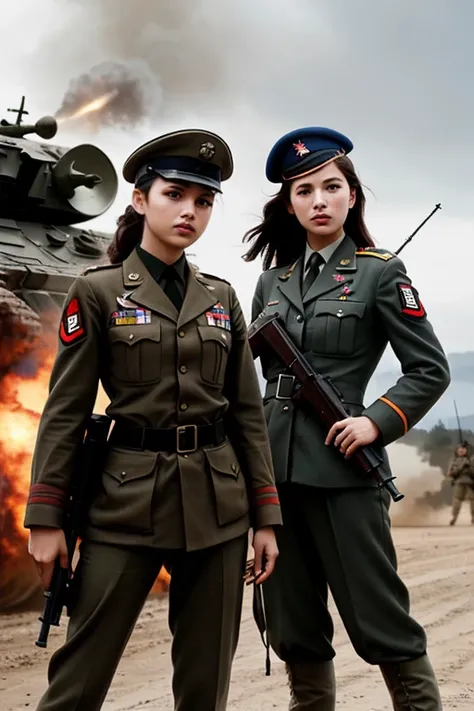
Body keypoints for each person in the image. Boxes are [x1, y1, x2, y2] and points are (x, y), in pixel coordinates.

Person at [24, 128, 281, 711]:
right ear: (140, 200)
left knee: (204, 689)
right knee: (77, 683)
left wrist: (265, 516)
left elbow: (246, 412)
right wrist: (45, 517)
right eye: (175, 194)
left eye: (204, 201)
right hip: (123, 506)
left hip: (218, 510)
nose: (190, 211)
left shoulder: (222, 298)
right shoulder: (97, 291)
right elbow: (65, 411)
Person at [243, 126, 450, 711]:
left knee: (381, 619)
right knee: (293, 626)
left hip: (344, 472)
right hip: (276, 478)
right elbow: (253, 384)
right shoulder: (270, 284)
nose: (319, 200)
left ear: (351, 196)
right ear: (290, 204)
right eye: (305, 191)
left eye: (331, 187)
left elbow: (429, 370)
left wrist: (375, 423)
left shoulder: (380, 272)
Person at [447, 441, 474, 525]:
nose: (461, 450)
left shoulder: (471, 460)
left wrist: (469, 466)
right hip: (459, 482)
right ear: (457, 450)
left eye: (463, 449)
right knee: (457, 500)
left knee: (473, 500)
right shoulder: (454, 461)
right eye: (460, 449)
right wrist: (460, 467)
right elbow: (450, 473)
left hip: (471, 482)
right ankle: (454, 518)